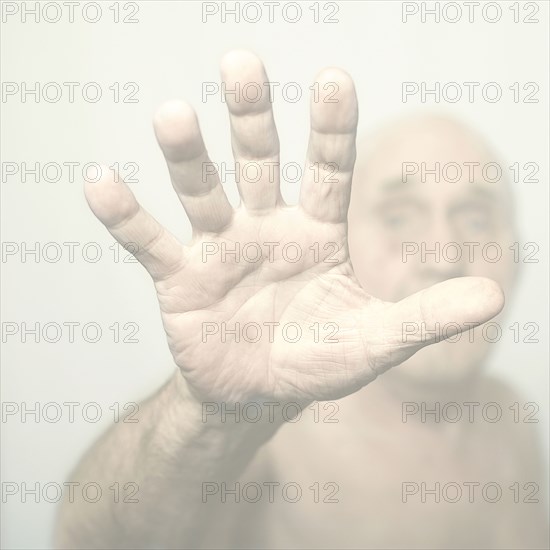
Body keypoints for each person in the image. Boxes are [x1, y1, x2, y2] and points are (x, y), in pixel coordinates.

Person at [54, 50, 547, 549]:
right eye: (398, 217)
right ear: (342, 246)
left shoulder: (512, 416)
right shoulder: (268, 445)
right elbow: (88, 541)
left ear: (519, 258)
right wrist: (213, 417)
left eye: (478, 220)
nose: (443, 256)